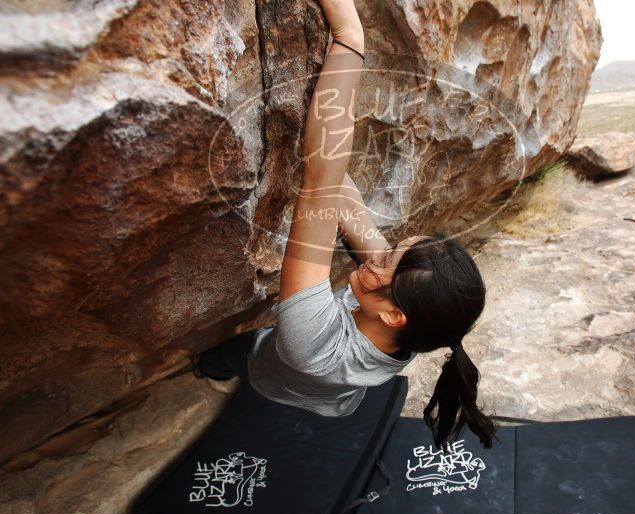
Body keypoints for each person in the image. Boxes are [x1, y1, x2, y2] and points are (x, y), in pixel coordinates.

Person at [191, 0, 496, 449]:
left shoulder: (310, 344)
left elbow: (321, 180)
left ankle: (207, 368)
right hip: (334, 394)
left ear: (393, 313)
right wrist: (319, 143)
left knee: (232, 356)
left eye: (388, 259)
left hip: (275, 371)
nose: (379, 252)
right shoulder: (409, 321)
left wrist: (351, 36)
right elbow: (339, 196)